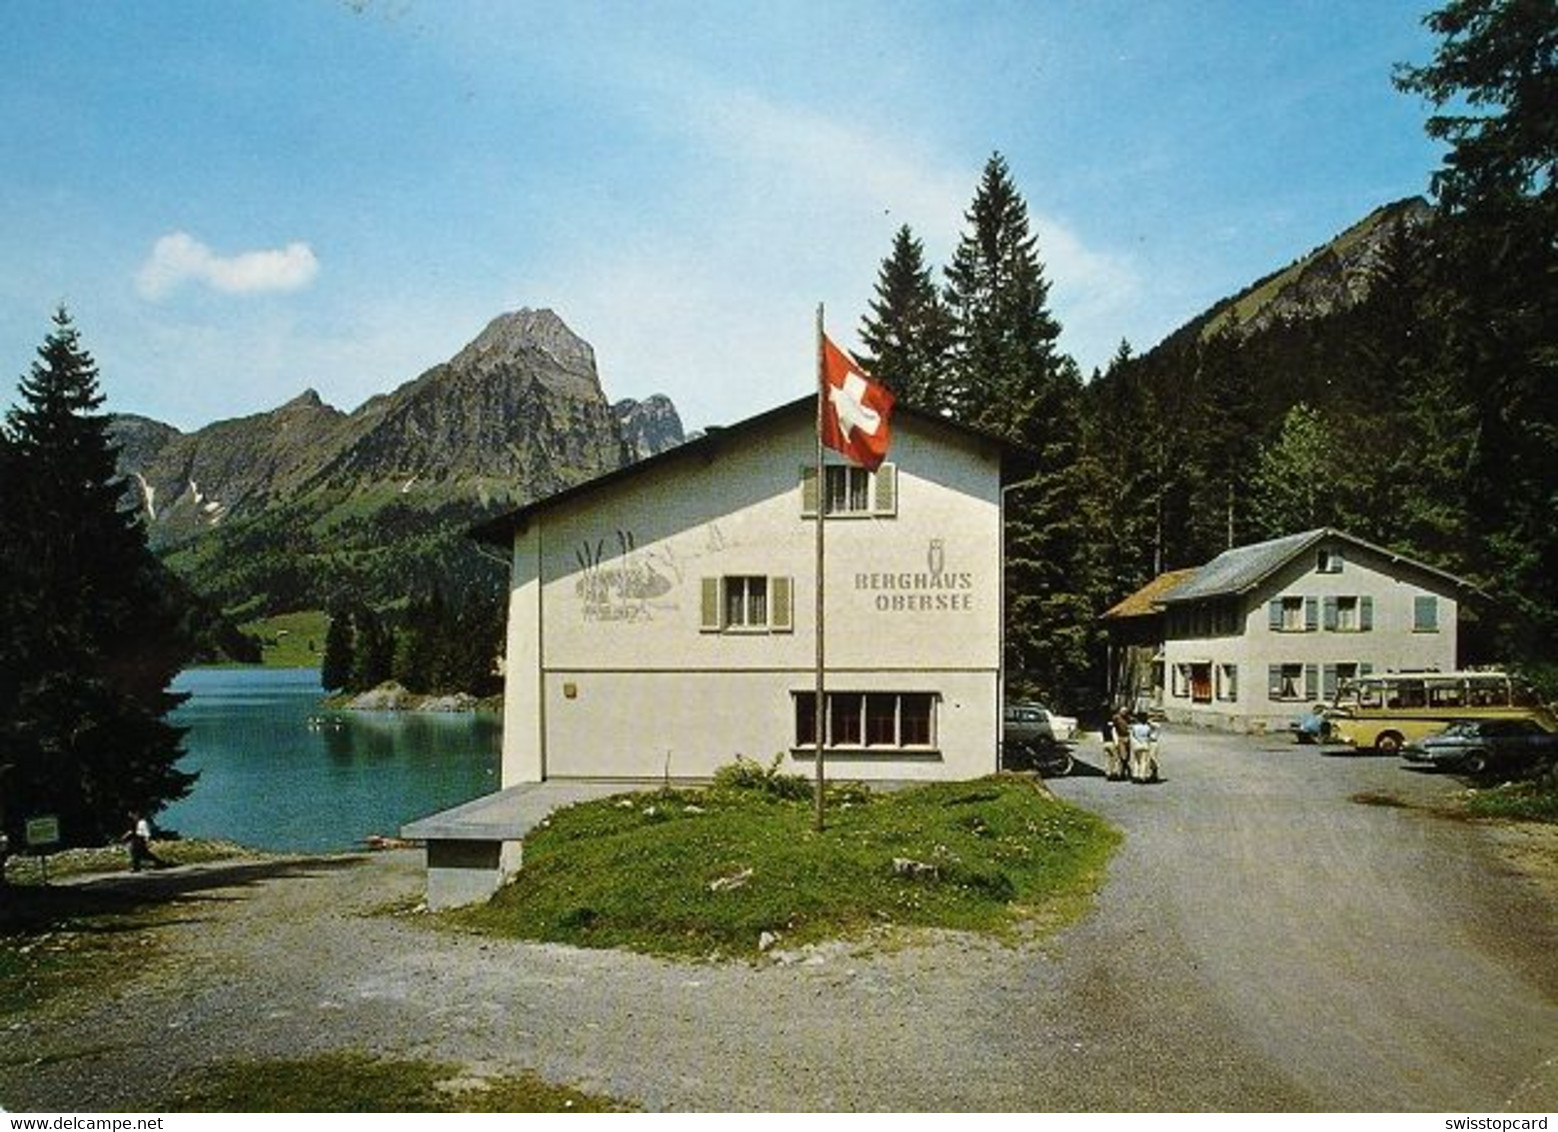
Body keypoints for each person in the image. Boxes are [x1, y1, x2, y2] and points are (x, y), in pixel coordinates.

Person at [1129, 712, 1160, 784]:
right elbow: (1149, 735)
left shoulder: (1134, 727)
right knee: (1144, 762)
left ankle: (1135, 775)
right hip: (1145, 744)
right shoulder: (1147, 727)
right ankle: (1142, 776)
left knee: (1136, 761)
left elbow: (1132, 735)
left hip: (1136, 745)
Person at [1108, 706, 1133, 781]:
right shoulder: (1116, 718)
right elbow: (1112, 725)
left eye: (1125, 711)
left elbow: (1132, 721)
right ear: (1120, 711)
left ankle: (1123, 772)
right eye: (1123, 711)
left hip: (1127, 738)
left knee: (1127, 756)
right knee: (1123, 756)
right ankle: (1121, 772)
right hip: (1120, 738)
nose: (1124, 713)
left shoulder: (1127, 718)